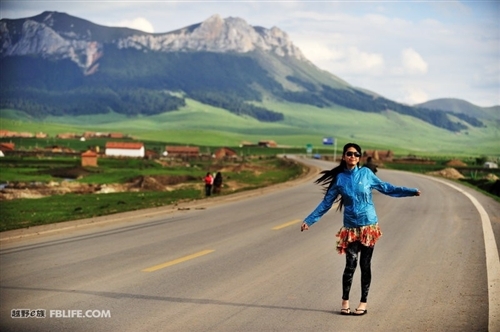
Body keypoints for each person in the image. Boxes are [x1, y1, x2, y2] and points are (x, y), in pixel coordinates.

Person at [300, 143, 421, 316]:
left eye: (356, 154)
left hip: (368, 226)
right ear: (344, 156)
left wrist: (410, 191)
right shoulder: (339, 179)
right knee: (350, 265)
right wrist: (310, 220)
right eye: (349, 154)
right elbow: (326, 203)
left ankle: (363, 302)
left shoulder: (366, 174)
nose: (353, 157)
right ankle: (345, 301)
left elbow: (386, 188)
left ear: (359, 157)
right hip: (350, 228)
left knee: (365, 265)